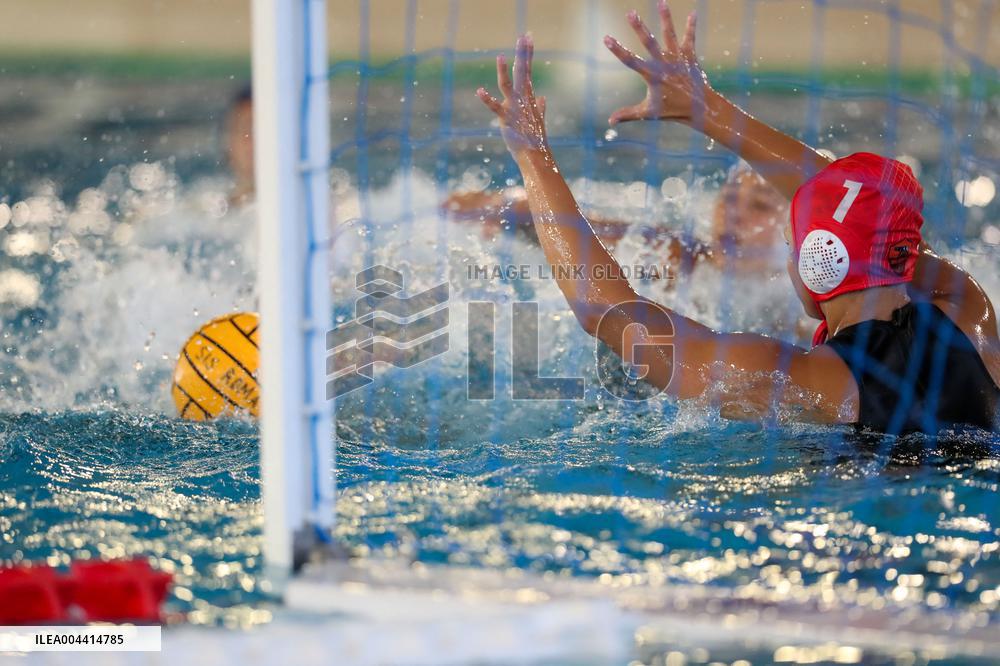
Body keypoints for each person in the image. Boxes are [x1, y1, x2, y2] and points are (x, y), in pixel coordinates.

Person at [476, 2, 999, 434]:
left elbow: (606, 313)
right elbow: (866, 208)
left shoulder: (813, 383)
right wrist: (708, 111)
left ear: (819, 261)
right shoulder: (968, 312)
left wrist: (533, 157)